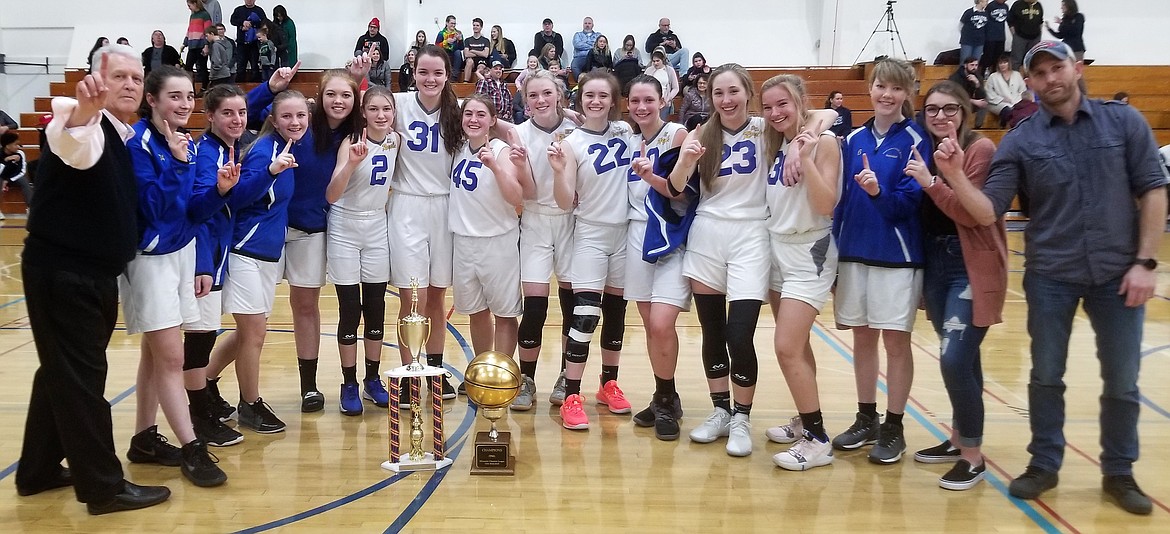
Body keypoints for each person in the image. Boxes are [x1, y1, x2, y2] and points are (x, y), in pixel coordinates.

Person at [945, 40, 1165, 516]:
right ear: (1029, 82)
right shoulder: (1021, 140)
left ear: (1077, 67)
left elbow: (1153, 189)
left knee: (1123, 379)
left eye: (1057, 67)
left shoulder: (1123, 122)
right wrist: (955, 177)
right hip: (1051, 276)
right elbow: (987, 212)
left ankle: (1119, 472)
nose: (1051, 79)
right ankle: (1044, 462)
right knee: (1046, 375)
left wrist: (1146, 262)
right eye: (1039, 73)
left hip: (1118, 274)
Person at [16, 43, 172, 515]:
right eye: (117, 75)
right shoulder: (82, 122)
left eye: (135, 78)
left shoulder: (122, 135)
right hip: (66, 274)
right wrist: (85, 108)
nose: (128, 84)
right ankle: (103, 488)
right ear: (93, 80)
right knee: (83, 381)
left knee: (61, 374)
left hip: (90, 274)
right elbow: (71, 138)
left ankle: (38, 469)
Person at [121, 65, 228, 488]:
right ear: (152, 100)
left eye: (189, 96)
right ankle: (192, 447)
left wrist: (219, 192)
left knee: (155, 354)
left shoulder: (187, 144)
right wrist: (179, 164)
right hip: (150, 259)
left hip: (181, 253)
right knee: (170, 357)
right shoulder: (140, 145)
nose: (184, 104)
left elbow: (192, 213)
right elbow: (154, 208)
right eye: (174, 96)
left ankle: (144, 438)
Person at [903, 80, 1005, 491]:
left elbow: (970, 212)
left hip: (971, 265)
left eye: (949, 109)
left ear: (965, 112)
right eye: (931, 109)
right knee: (966, 359)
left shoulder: (980, 150)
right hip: (937, 263)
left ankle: (973, 458)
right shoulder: (923, 149)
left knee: (954, 359)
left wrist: (932, 181)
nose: (940, 116)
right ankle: (961, 439)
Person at [831, 58, 930, 465]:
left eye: (895, 88)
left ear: (907, 93)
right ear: (869, 90)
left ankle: (894, 425)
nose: (886, 95)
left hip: (897, 256)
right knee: (862, 337)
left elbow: (909, 203)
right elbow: (840, 203)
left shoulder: (916, 138)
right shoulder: (853, 139)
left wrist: (877, 193)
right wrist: (836, 255)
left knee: (895, 341)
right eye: (879, 86)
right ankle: (866, 417)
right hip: (855, 252)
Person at [753, 74, 844, 472]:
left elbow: (826, 205)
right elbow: (823, 113)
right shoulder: (777, 141)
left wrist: (804, 156)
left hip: (811, 249)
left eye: (783, 104)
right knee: (799, 346)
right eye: (768, 106)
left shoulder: (822, 143)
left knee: (786, 346)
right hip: (778, 249)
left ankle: (819, 440)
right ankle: (807, 421)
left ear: (800, 101)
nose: (775, 113)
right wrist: (795, 145)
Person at [206, 89, 306, 433]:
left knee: (249, 331)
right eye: (287, 116)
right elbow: (238, 195)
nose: (295, 122)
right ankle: (250, 404)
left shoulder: (286, 147)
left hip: (267, 255)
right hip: (244, 251)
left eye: (301, 116)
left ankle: (202, 383)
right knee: (254, 334)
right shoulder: (265, 150)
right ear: (273, 120)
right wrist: (270, 172)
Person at [548, 71, 634, 430]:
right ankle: (572, 394)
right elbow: (565, 200)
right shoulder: (569, 142)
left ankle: (608, 383)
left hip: (625, 235)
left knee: (616, 315)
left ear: (613, 100)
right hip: (591, 235)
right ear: (579, 98)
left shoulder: (626, 133)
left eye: (602, 95)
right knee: (584, 318)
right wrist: (557, 172)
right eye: (588, 95)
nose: (595, 101)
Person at [389, 45, 464, 399]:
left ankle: (433, 371)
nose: (430, 79)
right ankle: (408, 374)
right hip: (407, 205)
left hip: (447, 207)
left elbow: (495, 124)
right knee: (411, 297)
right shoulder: (398, 104)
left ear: (447, 74)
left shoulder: (459, 110)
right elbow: (358, 110)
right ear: (413, 72)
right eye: (423, 72)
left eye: (437, 73)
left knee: (437, 295)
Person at [623, 74, 690, 441]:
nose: (642, 107)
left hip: (670, 236)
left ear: (663, 100)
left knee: (663, 323)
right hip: (636, 236)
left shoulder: (678, 136)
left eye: (648, 99)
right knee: (651, 327)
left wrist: (652, 179)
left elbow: (683, 195)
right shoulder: (627, 139)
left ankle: (666, 398)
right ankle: (665, 395)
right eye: (635, 101)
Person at [325, 86, 399, 416]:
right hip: (344, 224)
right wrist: (351, 164)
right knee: (350, 309)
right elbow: (331, 194)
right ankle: (349, 382)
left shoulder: (396, 140)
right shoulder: (352, 142)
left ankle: (372, 379)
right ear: (364, 112)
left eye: (387, 109)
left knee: (375, 305)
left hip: (376, 224)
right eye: (374, 109)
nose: (381, 115)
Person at [511, 70, 578, 410]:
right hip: (535, 220)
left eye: (546, 93)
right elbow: (526, 191)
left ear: (558, 96)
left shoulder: (576, 129)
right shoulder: (518, 134)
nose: (540, 100)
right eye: (533, 95)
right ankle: (527, 379)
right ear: (526, 101)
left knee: (571, 305)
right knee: (535, 307)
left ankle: (567, 373)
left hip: (571, 222)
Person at [449, 94, 525, 364]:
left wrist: (494, 167)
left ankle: (502, 372)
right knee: (477, 312)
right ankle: (483, 369)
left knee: (504, 313)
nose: (473, 119)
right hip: (464, 243)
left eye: (481, 114)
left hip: (497, 242)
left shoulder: (501, 151)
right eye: (468, 114)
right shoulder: (457, 148)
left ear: (493, 119)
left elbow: (517, 198)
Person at [984, 53, 1027, 125]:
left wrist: (1016, 99)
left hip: (1016, 101)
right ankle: (1004, 126)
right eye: (1000, 63)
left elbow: (1023, 90)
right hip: (998, 103)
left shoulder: (1017, 74)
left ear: (1009, 63)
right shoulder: (993, 76)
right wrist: (1001, 99)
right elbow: (988, 92)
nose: (1002, 65)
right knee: (1007, 111)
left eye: (1005, 62)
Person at [948, 56, 989, 128]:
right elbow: (956, 96)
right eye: (972, 65)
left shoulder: (978, 76)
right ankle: (960, 128)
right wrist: (973, 101)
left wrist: (977, 84)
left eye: (976, 65)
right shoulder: (955, 77)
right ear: (965, 65)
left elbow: (982, 96)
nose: (974, 67)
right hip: (958, 102)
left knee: (984, 103)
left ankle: (978, 127)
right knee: (960, 106)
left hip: (970, 102)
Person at [229, 0, 266, 82]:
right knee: (240, 65)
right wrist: (242, 23)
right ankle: (240, 84)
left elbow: (264, 22)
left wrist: (251, 24)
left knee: (254, 65)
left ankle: (254, 85)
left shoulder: (259, 10)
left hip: (254, 43)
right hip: (242, 43)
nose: (249, 1)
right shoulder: (239, 10)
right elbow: (232, 21)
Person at [182, 0, 213, 88]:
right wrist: (185, 42)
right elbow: (190, 29)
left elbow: (208, 30)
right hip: (192, 45)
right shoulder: (192, 16)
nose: (189, 7)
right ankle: (190, 87)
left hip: (201, 45)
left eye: (189, 5)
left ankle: (204, 87)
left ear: (195, 4)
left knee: (202, 67)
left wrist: (206, 45)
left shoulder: (205, 15)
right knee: (188, 67)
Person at [644, 48, 679, 120]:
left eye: (657, 61)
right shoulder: (648, 70)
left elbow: (676, 88)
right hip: (651, 101)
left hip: (664, 102)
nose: (655, 63)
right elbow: (644, 85)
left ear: (662, 60)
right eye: (654, 61)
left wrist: (668, 98)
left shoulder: (670, 70)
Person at [1008, 0, 1044, 70]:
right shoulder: (1017, 4)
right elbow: (1010, 20)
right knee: (1016, 59)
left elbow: (1040, 21)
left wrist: (1039, 34)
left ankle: (1029, 77)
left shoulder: (1038, 5)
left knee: (1032, 59)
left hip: (1035, 37)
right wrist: (1014, 34)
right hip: (1020, 36)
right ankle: (1016, 77)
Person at [1, 131, 33, 208]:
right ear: (8, 146)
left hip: (15, 178)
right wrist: (5, 161)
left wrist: (8, 180)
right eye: (15, 144)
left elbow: (22, 171)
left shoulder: (20, 153)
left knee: (24, 181)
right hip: (2, 177)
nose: (18, 147)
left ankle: (31, 207)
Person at [981, 0, 1010, 76]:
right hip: (990, 36)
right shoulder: (990, 6)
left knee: (999, 57)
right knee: (988, 56)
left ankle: (996, 73)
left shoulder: (1006, 7)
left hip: (1001, 36)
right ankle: (984, 73)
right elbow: (985, 19)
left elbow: (1007, 19)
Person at [959, 1, 990, 70]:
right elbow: (961, 25)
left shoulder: (986, 14)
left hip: (980, 42)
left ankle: (973, 77)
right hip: (967, 41)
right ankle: (962, 78)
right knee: (965, 60)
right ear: (980, 1)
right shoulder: (969, 12)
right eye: (985, 1)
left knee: (976, 62)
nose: (987, 3)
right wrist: (965, 35)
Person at [462, 18, 491, 83]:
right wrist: (481, 53)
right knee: (469, 61)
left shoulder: (486, 40)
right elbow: (466, 54)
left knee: (481, 67)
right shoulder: (467, 40)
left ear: (481, 27)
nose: (475, 27)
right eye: (474, 25)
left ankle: (479, 84)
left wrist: (473, 51)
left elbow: (485, 54)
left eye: (477, 25)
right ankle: (465, 82)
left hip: (482, 60)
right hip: (471, 60)